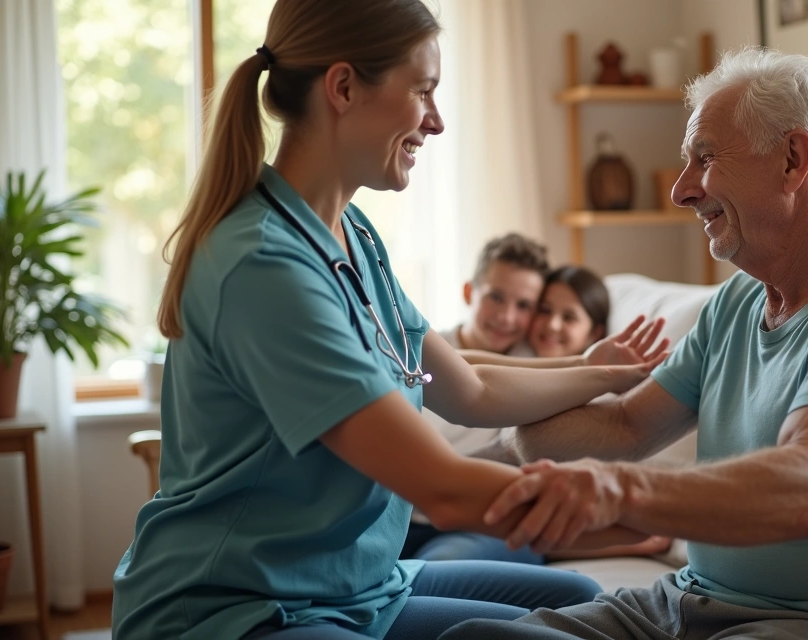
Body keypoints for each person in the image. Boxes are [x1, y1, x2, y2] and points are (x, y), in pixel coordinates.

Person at [110, 2, 665, 639]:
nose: (437, 120)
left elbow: (468, 387)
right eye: (423, 91)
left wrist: (595, 371)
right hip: (235, 608)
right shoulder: (263, 266)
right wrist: (663, 502)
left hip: (354, 589)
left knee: (578, 600)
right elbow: (446, 490)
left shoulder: (351, 233)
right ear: (343, 87)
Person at [442, 48, 808, 640]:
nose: (680, 191)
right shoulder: (737, 302)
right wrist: (568, 384)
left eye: (704, 159)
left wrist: (617, 490)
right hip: (686, 606)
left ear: (793, 159)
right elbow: (620, 429)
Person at [405, 265, 674, 565]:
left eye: (569, 316)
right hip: (429, 511)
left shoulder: (608, 399)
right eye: (543, 311)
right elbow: (470, 375)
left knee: (445, 567)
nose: (551, 325)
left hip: (481, 525)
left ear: (595, 331)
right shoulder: (517, 362)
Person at [439, 233, 549, 356]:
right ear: (468, 293)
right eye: (496, 298)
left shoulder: (536, 360)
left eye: (523, 305)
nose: (506, 318)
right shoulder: (422, 353)